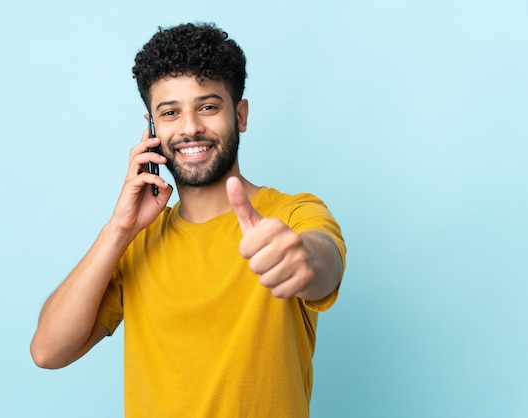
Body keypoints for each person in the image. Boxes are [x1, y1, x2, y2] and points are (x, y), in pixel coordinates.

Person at [30, 22, 346, 417]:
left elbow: (325, 263)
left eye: (208, 106)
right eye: (170, 113)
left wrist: (302, 259)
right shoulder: (135, 241)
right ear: (151, 129)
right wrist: (119, 230)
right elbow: (47, 351)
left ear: (241, 115)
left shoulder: (293, 214)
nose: (190, 127)